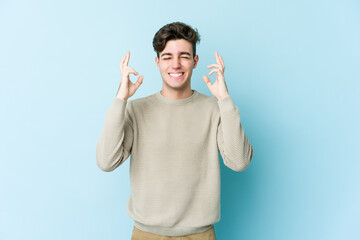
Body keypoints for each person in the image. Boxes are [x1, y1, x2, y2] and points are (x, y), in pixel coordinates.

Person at [96, 22, 254, 240]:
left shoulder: (214, 109)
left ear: (195, 61)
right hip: (146, 234)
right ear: (157, 62)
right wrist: (120, 100)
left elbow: (239, 162)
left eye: (184, 56)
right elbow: (106, 161)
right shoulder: (135, 109)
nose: (176, 64)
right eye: (168, 56)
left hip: (200, 235)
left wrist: (224, 100)